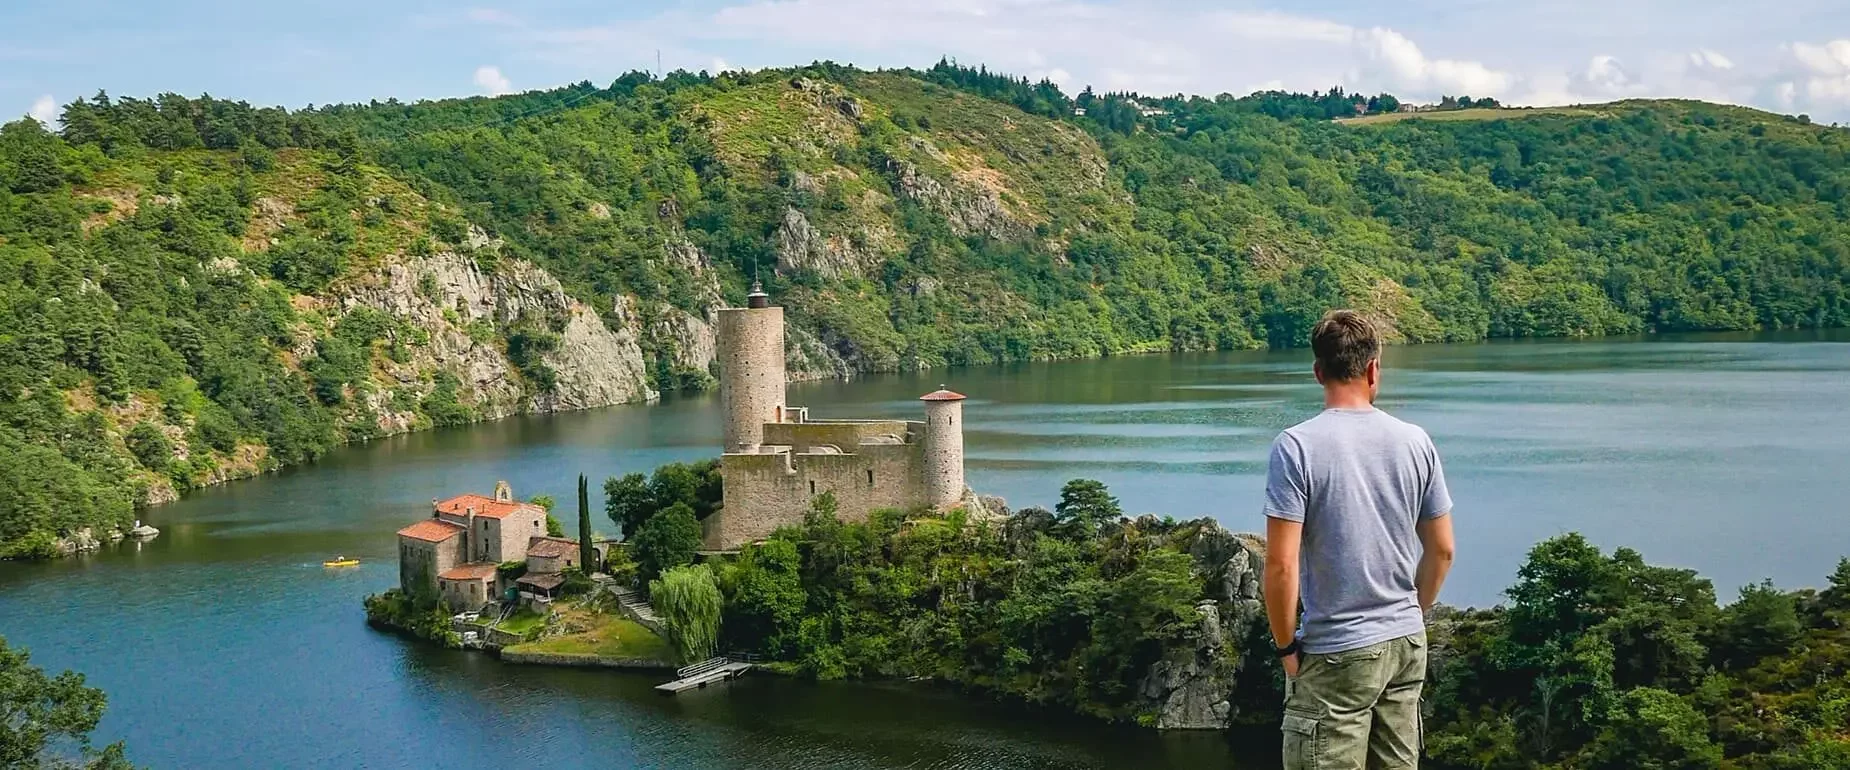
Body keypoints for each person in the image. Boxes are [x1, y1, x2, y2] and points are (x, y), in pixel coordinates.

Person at [1262, 310, 1456, 770]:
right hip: (1405, 643)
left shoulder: (1296, 447)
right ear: (1373, 369)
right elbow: (1443, 549)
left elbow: (1281, 566)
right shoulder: (1415, 441)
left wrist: (1286, 648)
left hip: (1336, 650)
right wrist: (1413, 611)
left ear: (1318, 372)